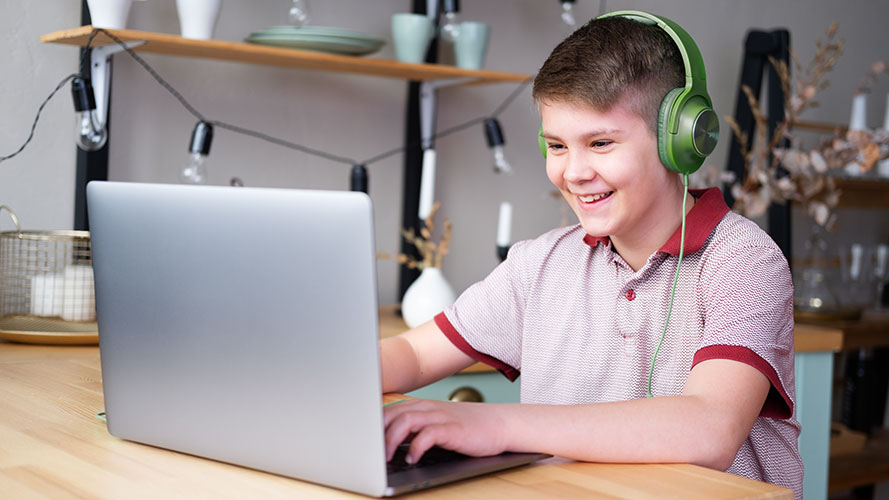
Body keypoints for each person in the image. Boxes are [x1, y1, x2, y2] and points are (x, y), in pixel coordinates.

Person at [380, 11, 802, 498]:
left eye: (600, 143)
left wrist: (496, 425)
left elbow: (709, 428)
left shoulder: (743, 260)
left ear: (680, 141)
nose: (573, 172)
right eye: (556, 145)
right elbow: (412, 352)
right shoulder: (539, 264)